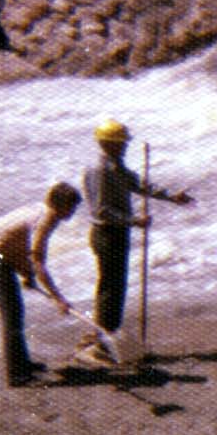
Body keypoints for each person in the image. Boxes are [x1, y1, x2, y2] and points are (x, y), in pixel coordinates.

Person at [81, 117, 194, 357]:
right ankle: (103, 342)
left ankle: (108, 338)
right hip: (106, 232)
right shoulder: (100, 169)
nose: (125, 147)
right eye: (120, 143)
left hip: (117, 232)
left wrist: (172, 196)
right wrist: (134, 221)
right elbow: (101, 210)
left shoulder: (115, 166)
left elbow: (138, 185)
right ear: (107, 144)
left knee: (116, 286)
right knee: (109, 289)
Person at [0, 181, 81, 386]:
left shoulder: (45, 211)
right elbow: (39, 261)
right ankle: (16, 375)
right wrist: (59, 299)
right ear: (60, 205)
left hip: (2, 257)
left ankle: (23, 364)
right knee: (12, 315)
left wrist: (27, 274)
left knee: (16, 313)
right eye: (71, 207)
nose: (74, 212)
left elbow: (22, 246)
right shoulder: (46, 219)